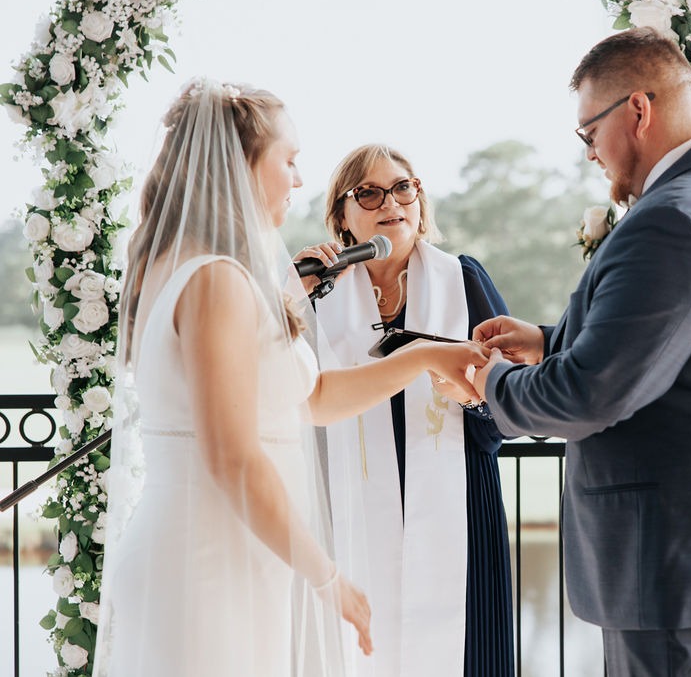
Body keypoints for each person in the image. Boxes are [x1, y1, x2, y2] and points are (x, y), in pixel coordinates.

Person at [93, 80, 488, 677]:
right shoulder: (217, 279)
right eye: (290, 160)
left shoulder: (194, 266)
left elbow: (315, 400)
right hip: (205, 560)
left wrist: (427, 357)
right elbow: (233, 458)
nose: (298, 180)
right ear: (244, 165)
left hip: (232, 549)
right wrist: (326, 576)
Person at [471, 27, 691, 676]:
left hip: (689, 571)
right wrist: (552, 341)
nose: (588, 154)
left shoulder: (674, 216)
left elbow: (587, 395)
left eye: (588, 133)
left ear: (637, 109)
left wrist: (490, 381)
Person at [297, 144, 514, 677]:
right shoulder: (319, 292)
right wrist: (295, 293)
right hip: (348, 505)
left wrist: (474, 400)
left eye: (402, 187)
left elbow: (509, 401)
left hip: (459, 499)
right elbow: (291, 402)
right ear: (343, 218)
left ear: (419, 199)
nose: (389, 201)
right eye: (367, 192)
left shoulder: (462, 280)